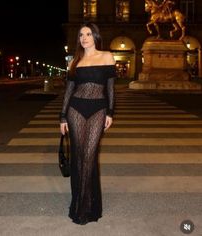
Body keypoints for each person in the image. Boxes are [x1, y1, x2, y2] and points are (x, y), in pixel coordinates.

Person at [60, 22, 116, 225]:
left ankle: (88, 206)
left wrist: (110, 112)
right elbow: (68, 91)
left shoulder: (107, 56)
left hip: (98, 110)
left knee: (90, 156)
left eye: (88, 34)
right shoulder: (75, 61)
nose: (84, 38)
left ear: (95, 36)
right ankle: (79, 205)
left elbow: (110, 89)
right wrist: (63, 117)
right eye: (81, 35)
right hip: (76, 109)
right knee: (79, 155)